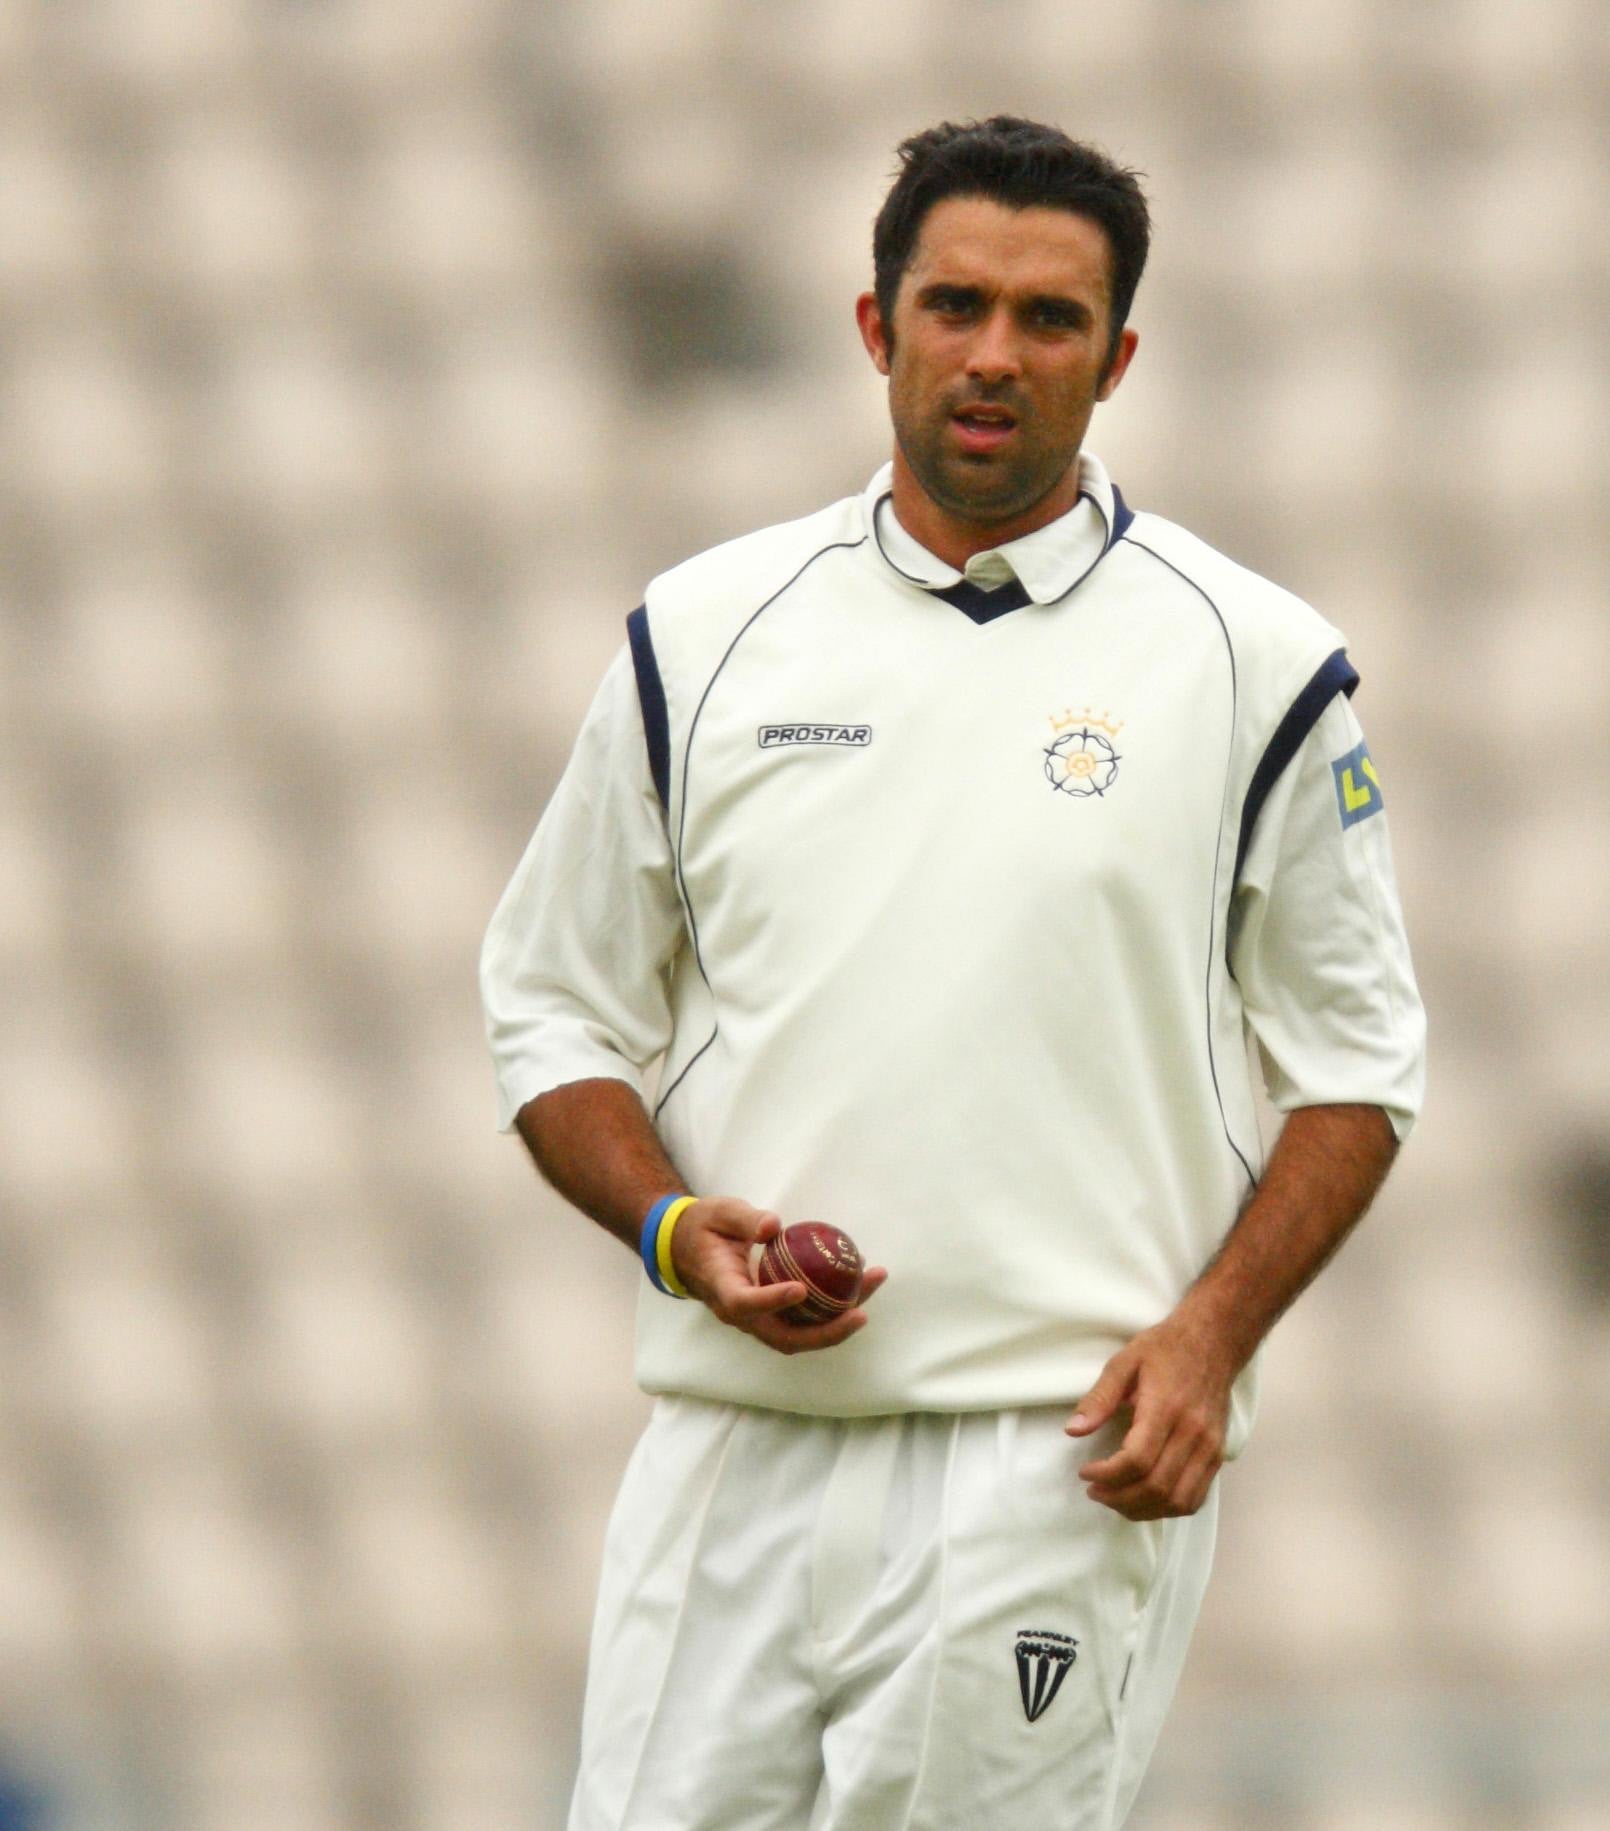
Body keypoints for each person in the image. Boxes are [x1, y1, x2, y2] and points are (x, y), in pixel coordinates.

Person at [480, 115, 1426, 1830]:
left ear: (1117, 358)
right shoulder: (700, 634)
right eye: (956, 305)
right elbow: (551, 1005)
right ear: (875, 327)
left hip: (1041, 1464)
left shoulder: (1252, 659)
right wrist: (676, 1232)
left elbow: (1358, 1067)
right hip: (733, 1451)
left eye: (1049, 321)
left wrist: (1208, 1341)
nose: (995, 355)